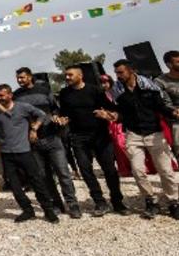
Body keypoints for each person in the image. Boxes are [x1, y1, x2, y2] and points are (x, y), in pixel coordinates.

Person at [110, 59, 179, 219]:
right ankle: (151, 201)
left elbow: (161, 107)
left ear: (131, 70)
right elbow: (119, 113)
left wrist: (173, 113)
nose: (118, 76)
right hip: (133, 134)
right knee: (138, 170)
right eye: (116, 73)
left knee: (165, 171)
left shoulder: (150, 87)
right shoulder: (118, 91)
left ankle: (174, 202)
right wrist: (113, 116)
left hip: (154, 133)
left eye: (120, 72)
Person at [58, 65, 130, 217]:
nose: (67, 78)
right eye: (66, 75)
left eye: (70, 75)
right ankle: (100, 202)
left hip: (100, 135)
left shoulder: (95, 90)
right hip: (78, 137)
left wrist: (108, 114)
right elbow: (63, 113)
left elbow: (113, 109)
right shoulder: (64, 93)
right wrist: (62, 119)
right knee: (85, 170)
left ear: (80, 75)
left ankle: (117, 201)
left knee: (110, 170)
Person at [13, 67, 81, 219]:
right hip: (33, 142)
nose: (19, 80)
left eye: (22, 77)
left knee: (63, 173)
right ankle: (56, 204)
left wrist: (57, 118)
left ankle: (72, 204)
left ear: (30, 77)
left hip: (52, 138)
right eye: (18, 78)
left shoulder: (44, 90)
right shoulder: (16, 96)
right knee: (44, 176)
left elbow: (55, 109)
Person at [0, 84, 59, 223]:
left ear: (10, 95)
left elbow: (41, 114)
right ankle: (28, 211)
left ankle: (48, 210)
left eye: (2, 95)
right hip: (7, 154)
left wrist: (35, 128)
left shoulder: (23, 107)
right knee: (15, 187)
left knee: (37, 182)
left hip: (24, 152)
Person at [154, 50, 179, 158]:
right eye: (178, 62)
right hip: (176, 119)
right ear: (169, 65)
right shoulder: (160, 82)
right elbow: (166, 103)